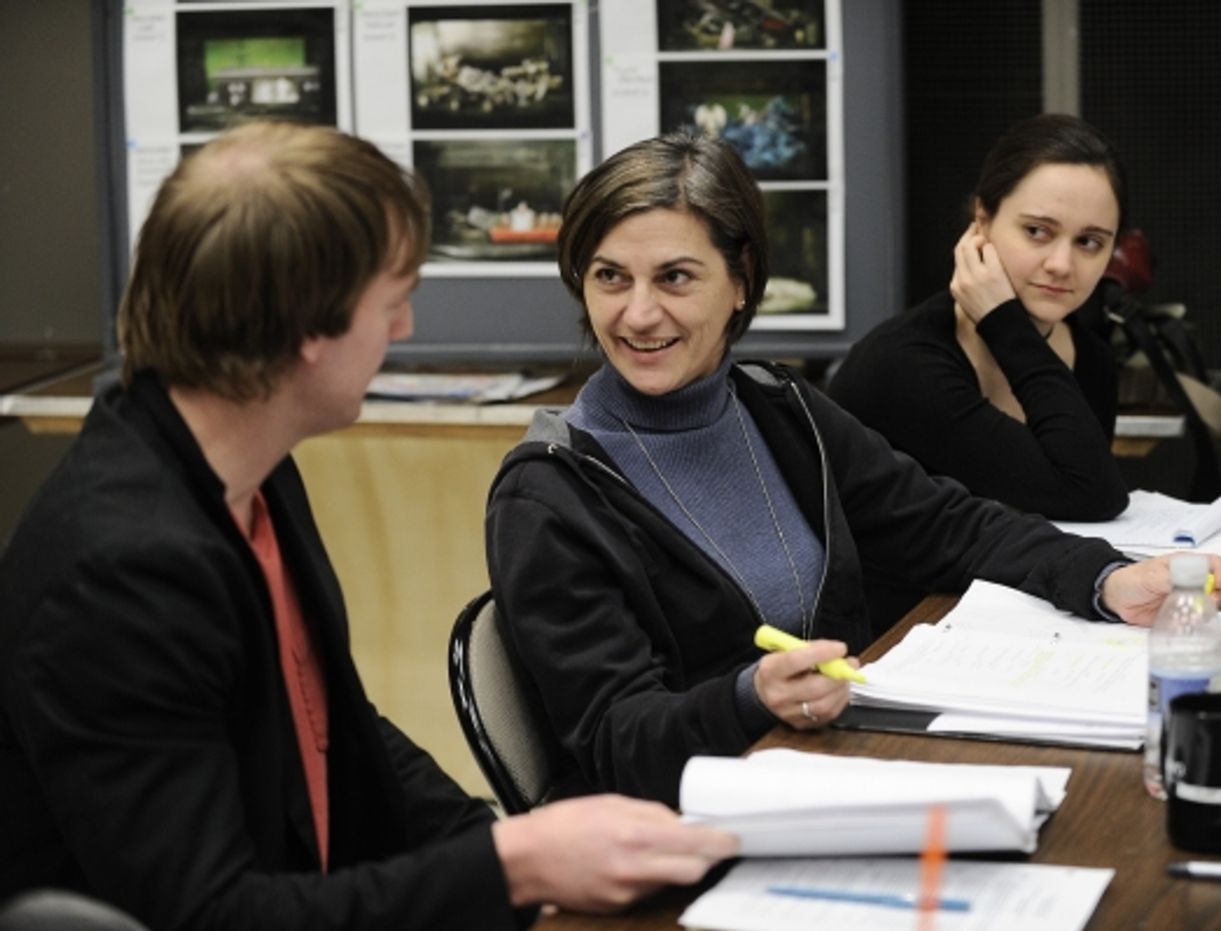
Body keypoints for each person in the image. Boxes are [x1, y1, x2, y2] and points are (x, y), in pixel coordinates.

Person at [0, 121, 735, 930]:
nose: (404, 330)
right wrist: (512, 866)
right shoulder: (123, 570)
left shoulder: (249, 469)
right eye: (392, 302)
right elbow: (211, 913)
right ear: (307, 328)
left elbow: (336, 725)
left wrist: (508, 846)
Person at [484, 131, 1221, 807]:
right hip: (695, 824)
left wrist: (1103, 578)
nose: (638, 314)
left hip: (834, 768)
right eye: (611, 277)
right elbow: (618, 743)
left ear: (741, 280)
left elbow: (944, 522)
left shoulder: (779, 407)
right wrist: (749, 697)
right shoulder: (549, 492)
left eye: (675, 278)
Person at [827, 113, 1130, 521]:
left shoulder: (1091, 358)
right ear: (982, 221)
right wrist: (1003, 323)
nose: (1061, 264)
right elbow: (1089, 495)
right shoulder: (903, 364)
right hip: (900, 586)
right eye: (1037, 231)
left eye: (1089, 242)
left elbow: (1086, 502)